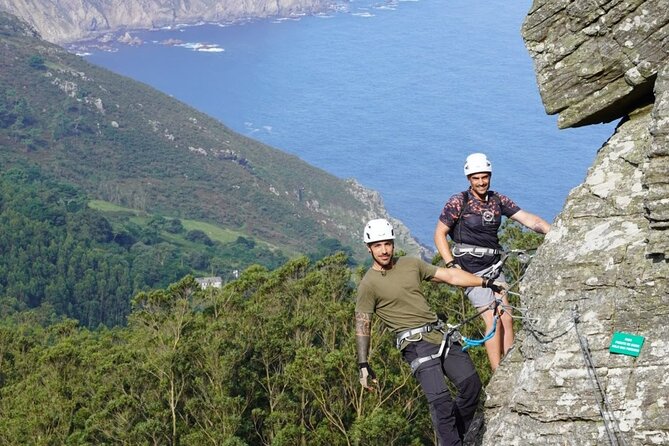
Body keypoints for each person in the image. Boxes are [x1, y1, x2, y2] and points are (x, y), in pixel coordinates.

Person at [355, 218, 506, 445]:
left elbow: (450, 276)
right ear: (369, 248)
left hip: (440, 335)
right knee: (441, 401)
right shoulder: (368, 284)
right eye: (378, 245)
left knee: (471, 386)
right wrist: (363, 364)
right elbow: (362, 323)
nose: (384, 250)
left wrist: (485, 282)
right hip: (415, 345)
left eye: (387, 244)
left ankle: (457, 436)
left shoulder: (410, 264)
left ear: (393, 243)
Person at [434, 152, 550, 371]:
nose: (481, 182)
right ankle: (498, 372)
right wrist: (451, 265)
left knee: (507, 317)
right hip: (469, 272)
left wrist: (551, 231)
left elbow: (527, 219)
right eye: (476, 178)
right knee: (492, 320)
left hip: (494, 268)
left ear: (490, 175)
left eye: (484, 177)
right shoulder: (459, 201)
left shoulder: (497, 200)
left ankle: (511, 365)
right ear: (469, 179)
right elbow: (439, 234)